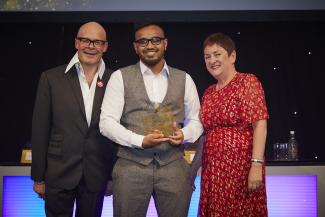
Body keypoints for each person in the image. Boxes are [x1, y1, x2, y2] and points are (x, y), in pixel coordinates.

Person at [99, 22, 203, 217]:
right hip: (131, 167)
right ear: (135, 47)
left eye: (155, 40)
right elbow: (106, 123)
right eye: (143, 41)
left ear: (165, 43)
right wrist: (139, 141)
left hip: (173, 167)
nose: (149, 45)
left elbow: (197, 121)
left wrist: (184, 134)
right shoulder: (120, 77)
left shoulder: (185, 78)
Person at [31, 21, 117, 217]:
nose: (90, 46)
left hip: (96, 175)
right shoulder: (51, 78)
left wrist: (112, 176)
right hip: (58, 173)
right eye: (85, 40)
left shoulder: (115, 80)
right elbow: (40, 130)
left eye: (97, 42)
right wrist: (38, 177)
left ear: (105, 47)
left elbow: (116, 133)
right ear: (76, 43)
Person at [192, 32, 269, 216]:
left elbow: (260, 124)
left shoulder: (247, 82)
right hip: (213, 172)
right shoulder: (209, 92)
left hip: (240, 170)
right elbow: (201, 130)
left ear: (232, 56)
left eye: (217, 54)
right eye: (207, 57)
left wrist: (256, 165)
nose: (212, 60)